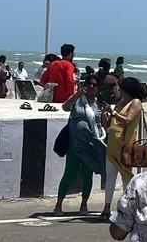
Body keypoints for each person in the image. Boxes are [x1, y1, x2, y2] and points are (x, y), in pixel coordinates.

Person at [53, 73, 107, 216]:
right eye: (89, 84)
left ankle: (84, 204)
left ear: (98, 88)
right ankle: (58, 205)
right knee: (68, 174)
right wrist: (76, 95)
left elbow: (102, 124)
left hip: (91, 145)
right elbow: (65, 107)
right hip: (75, 145)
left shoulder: (99, 104)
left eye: (94, 85)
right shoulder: (78, 101)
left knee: (87, 176)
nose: (91, 87)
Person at [100, 76, 147, 220]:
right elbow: (110, 124)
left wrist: (114, 112)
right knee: (110, 178)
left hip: (124, 147)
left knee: (126, 178)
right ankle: (106, 207)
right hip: (112, 145)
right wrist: (106, 115)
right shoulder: (120, 102)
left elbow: (128, 120)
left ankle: (126, 209)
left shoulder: (135, 102)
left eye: (121, 88)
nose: (119, 90)